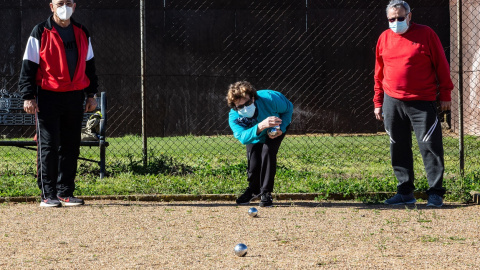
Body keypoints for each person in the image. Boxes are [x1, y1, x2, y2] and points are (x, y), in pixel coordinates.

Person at [18, 0, 98, 207]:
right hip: (48, 96)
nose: (65, 6)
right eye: (60, 3)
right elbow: (28, 65)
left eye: (68, 3)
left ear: (75, 6)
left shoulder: (82, 31)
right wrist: (28, 96)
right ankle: (48, 194)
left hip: (74, 96)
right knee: (49, 145)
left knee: (71, 145)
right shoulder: (40, 31)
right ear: (51, 6)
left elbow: (90, 66)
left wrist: (91, 95)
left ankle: (65, 192)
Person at [374, 0, 453, 207]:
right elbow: (378, 73)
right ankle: (405, 191)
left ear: (409, 16)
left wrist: (446, 93)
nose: (396, 22)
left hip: (422, 101)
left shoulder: (426, 34)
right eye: (392, 19)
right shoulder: (384, 37)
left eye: (401, 18)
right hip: (392, 100)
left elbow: (442, 65)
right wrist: (378, 101)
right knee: (398, 146)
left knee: (430, 146)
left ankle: (435, 192)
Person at [226, 81, 293, 207]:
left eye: (247, 103)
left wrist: (281, 129)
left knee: (268, 151)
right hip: (255, 132)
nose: (245, 108)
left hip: (274, 129)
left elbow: (289, 108)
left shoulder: (271, 98)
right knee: (254, 160)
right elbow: (242, 137)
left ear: (253, 97)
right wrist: (261, 126)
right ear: (234, 106)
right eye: (240, 107)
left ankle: (266, 193)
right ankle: (253, 190)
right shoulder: (234, 117)